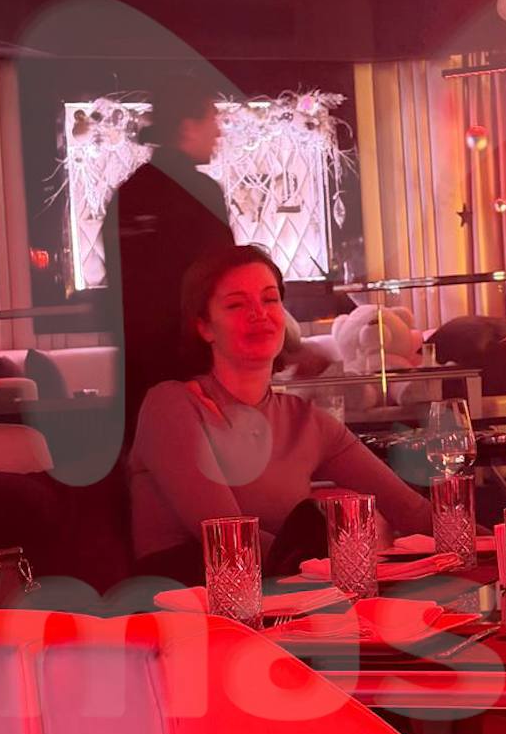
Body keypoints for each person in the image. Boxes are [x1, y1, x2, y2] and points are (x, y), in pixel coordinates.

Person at [128, 245, 432, 577]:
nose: (258, 313)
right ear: (205, 327)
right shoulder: (171, 405)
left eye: (270, 300)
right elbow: (230, 540)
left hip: (291, 595)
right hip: (184, 600)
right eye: (236, 304)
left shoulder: (306, 422)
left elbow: (412, 511)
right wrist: (327, 570)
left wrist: (473, 541)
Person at [108, 75, 234, 441]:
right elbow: (227, 281)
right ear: (187, 126)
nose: (218, 132)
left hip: (137, 373)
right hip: (195, 369)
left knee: (149, 460)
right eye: (212, 119)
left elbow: (119, 290)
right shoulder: (200, 193)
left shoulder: (128, 194)